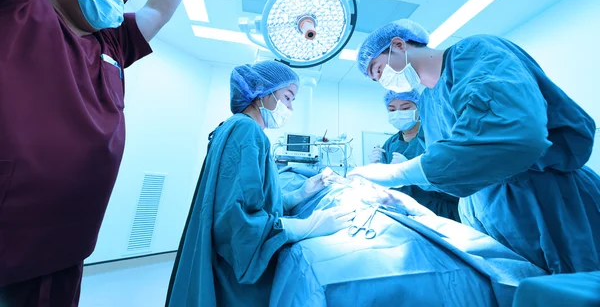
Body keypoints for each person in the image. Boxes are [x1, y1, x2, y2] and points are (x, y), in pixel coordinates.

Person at [0, 0, 211, 304]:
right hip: (11, 245)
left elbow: (157, 12)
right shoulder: (17, 5)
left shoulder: (111, 45)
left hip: (68, 247)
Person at [348, 18, 600, 274]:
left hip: (549, 202)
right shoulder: (428, 102)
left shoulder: (475, 53)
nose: (382, 80)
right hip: (491, 215)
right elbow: (452, 167)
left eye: (379, 69)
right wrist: (406, 182)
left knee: (574, 289)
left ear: (399, 45)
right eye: (375, 78)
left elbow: (512, 136)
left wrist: (399, 173)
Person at [166, 61, 355, 307]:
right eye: (288, 98)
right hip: (232, 276)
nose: (290, 107)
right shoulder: (246, 131)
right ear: (263, 92)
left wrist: (301, 193)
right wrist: (307, 226)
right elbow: (236, 221)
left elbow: (258, 201)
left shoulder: (238, 129)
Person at [370, 89, 459, 221]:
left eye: (405, 108)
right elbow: (388, 182)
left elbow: (450, 180)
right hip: (403, 212)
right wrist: (377, 167)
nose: (398, 113)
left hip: (438, 211)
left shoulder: (433, 136)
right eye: (392, 110)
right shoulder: (391, 143)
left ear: (419, 109)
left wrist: (410, 171)